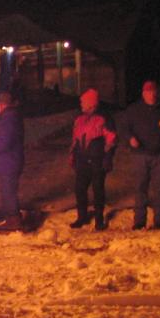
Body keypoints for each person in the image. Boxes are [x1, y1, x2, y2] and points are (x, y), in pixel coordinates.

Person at [118, 79, 160, 230]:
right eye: (148, 92)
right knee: (140, 187)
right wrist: (130, 138)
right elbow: (124, 128)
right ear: (143, 94)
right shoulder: (134, 110)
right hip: (140, 155)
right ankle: (139, 220)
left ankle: (159, 219)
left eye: (153, 91)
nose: (151, 94)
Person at [69, 88, 115, 230]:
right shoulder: (79, 119)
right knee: (80, 189)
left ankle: (99, 219)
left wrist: (107, 158)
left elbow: (111, 139)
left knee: (98, 190)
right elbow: (75, 140)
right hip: (82, 160)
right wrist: (72, 155)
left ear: (91, 104)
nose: (81, 104)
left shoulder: (103, 118)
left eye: (83, 102)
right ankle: (82, 217)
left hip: (97, 161)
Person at [0, 89, 25, 231]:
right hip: (11, 161)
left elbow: (3, 142)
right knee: (9, 191)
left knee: (8, 192)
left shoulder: (8, 119)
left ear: (3, 105)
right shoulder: (12, 117)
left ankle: (14, 220)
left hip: (9, 162)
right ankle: (12, 218)